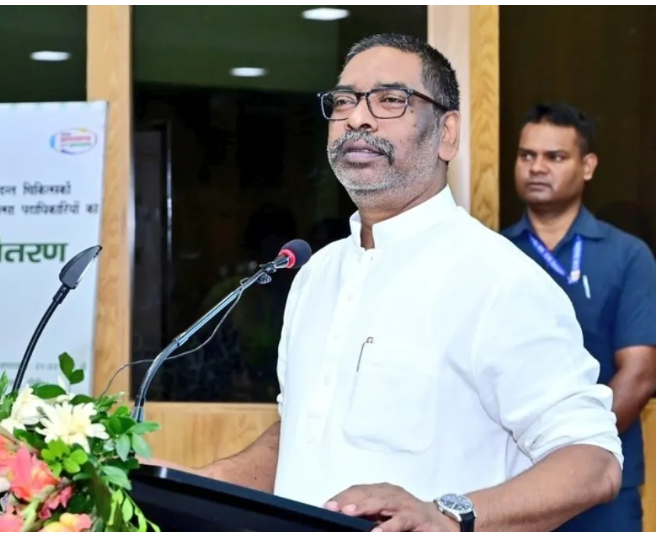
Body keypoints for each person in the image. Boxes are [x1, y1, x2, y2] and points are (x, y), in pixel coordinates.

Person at [146, 33, 624, 532]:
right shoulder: (317, 274)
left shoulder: (498, 279)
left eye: (391, 100)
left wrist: (448, 514)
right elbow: (305, 435)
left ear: (447, 133)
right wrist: (196, 483)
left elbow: (592, 462)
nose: (357, 117)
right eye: (344, 101)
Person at [501, 102, 656, 532]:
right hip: (509, 483)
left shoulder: (628, 256)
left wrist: (572, 452)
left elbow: (640, 374)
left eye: (555, 157)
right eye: (526, 155)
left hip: (602, 477)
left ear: (587, 166)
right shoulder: (491, 254)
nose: (536, 168)